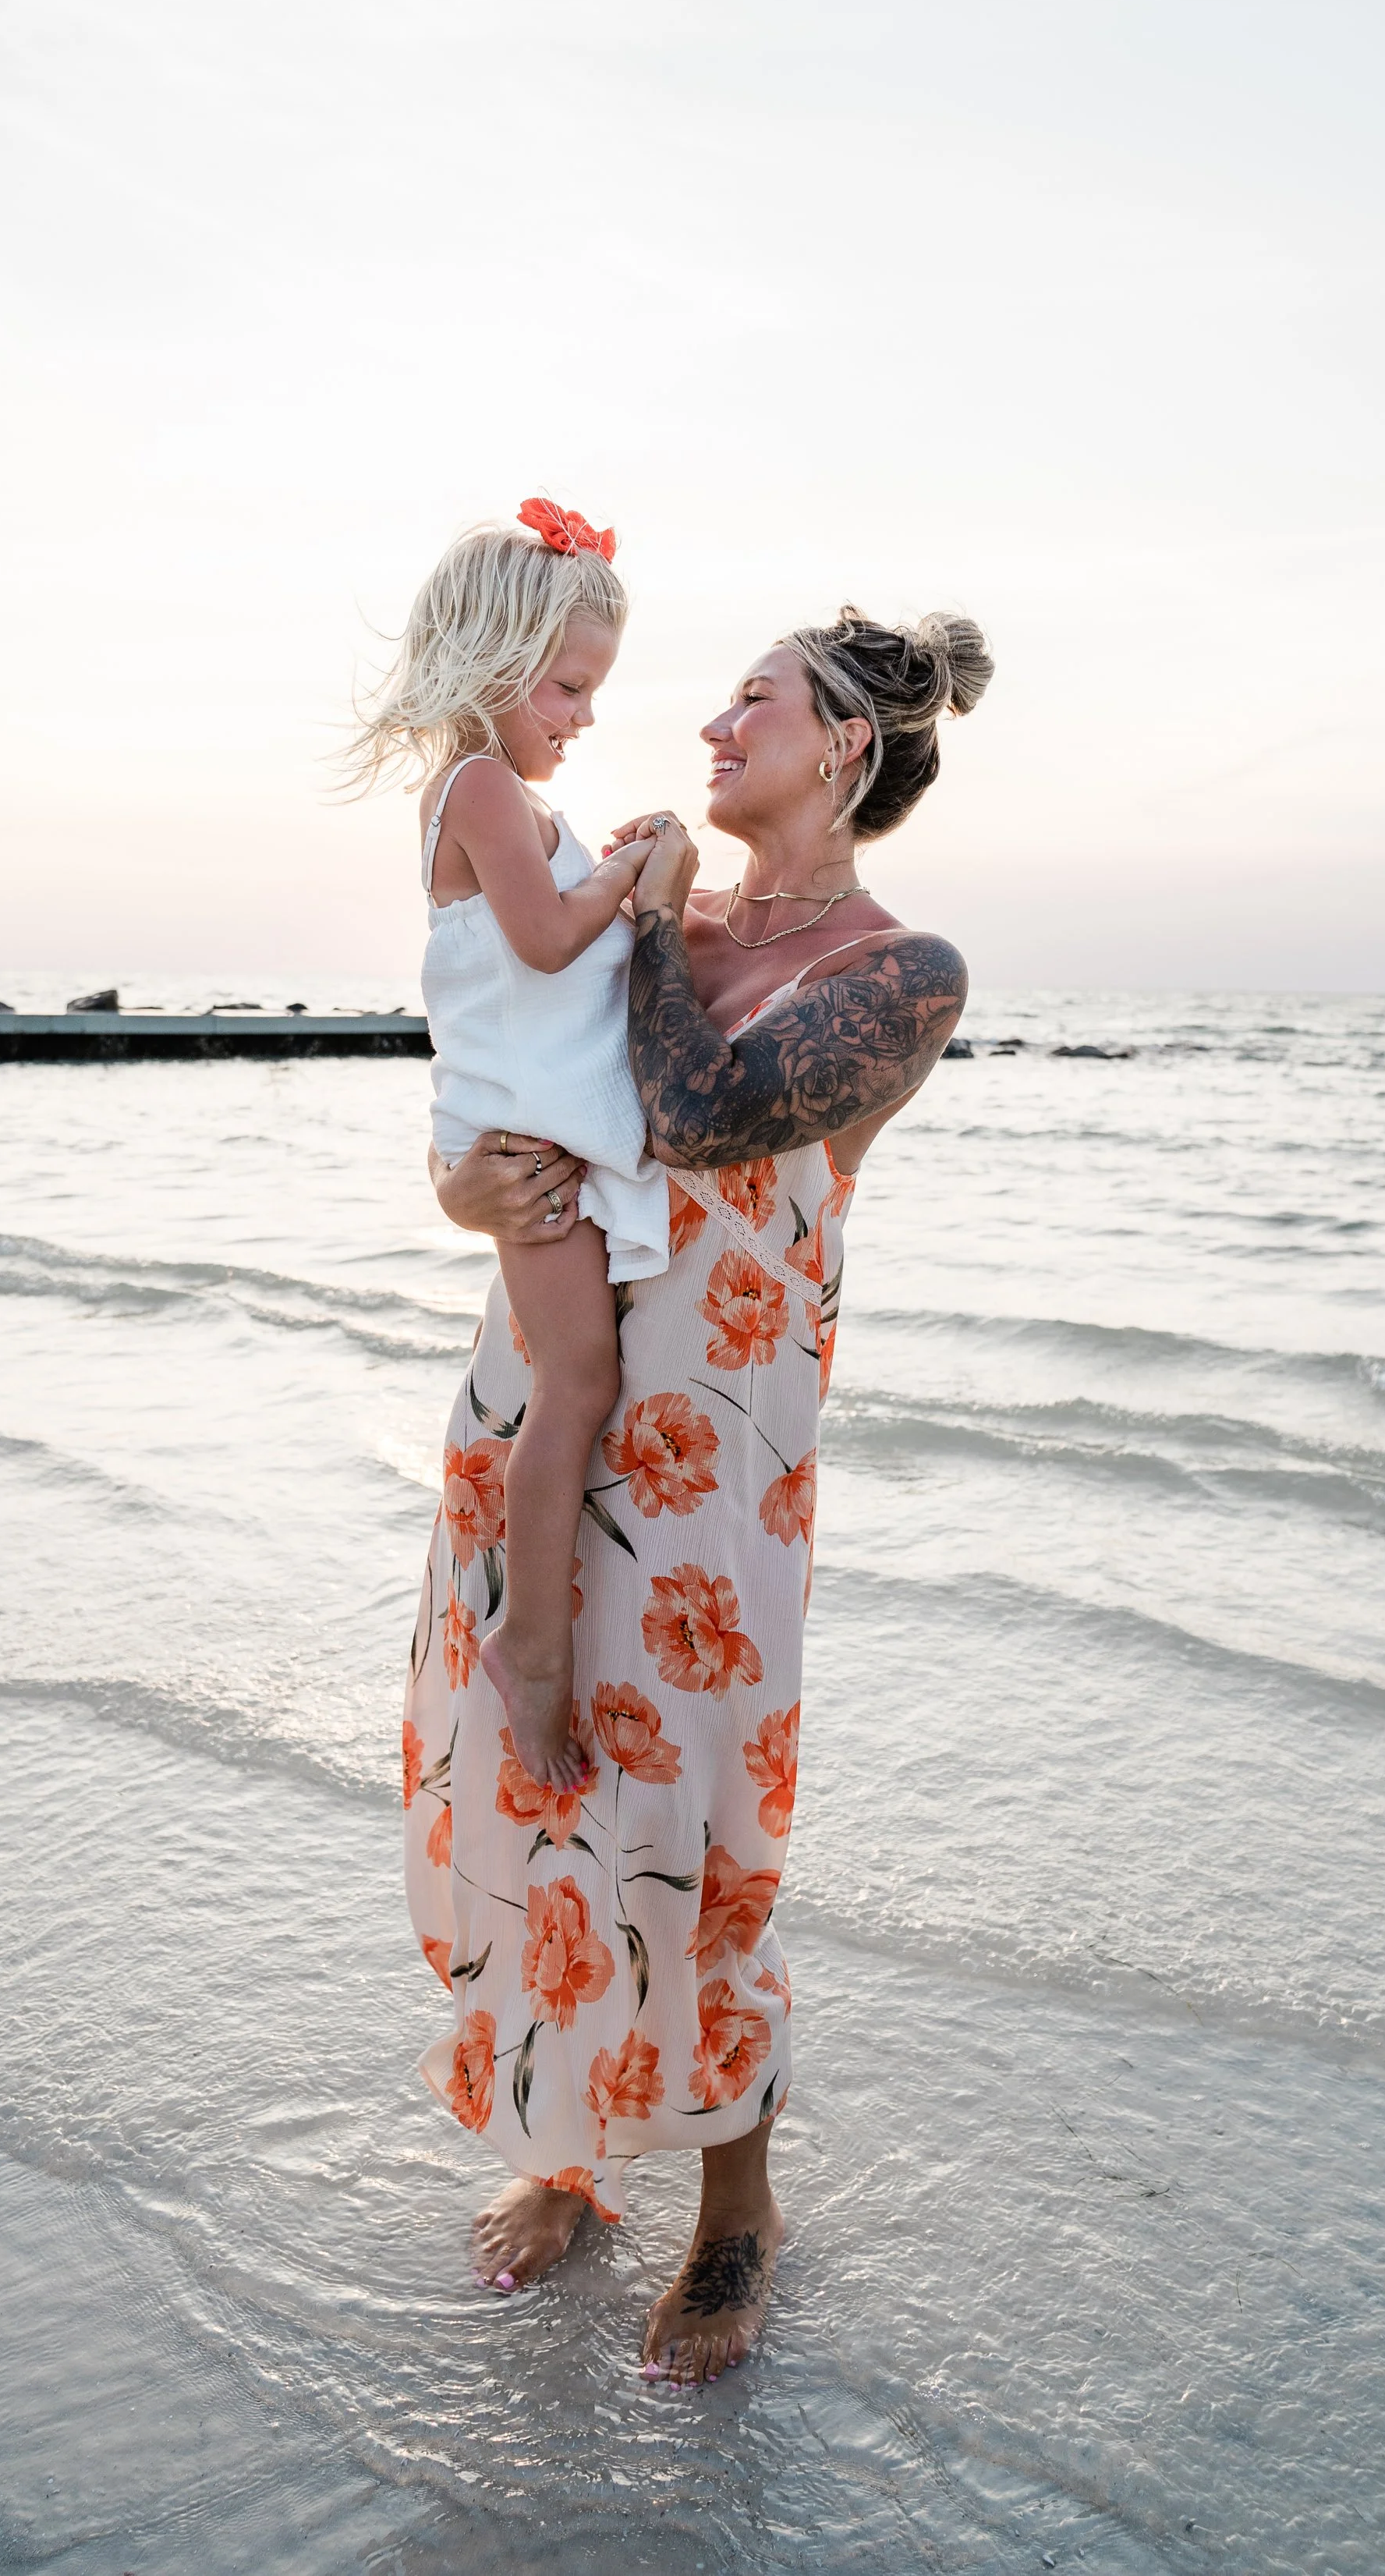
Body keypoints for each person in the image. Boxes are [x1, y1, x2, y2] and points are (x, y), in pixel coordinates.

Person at [405, 601, 992, 2386]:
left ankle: (735, 2203)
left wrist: (651, 922)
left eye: (758, 701)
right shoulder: (637, 923)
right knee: (536, 1790)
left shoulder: (902, 973)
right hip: (535, 1398)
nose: (713, 723)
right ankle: (569, 2151)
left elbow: (704, 1104)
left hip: (711, 1470)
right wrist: (474, 1202)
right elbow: (512, 1127)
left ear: (852, 751)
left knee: (696, 1821)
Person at [346, 499, 671, 1795]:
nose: (584, 716)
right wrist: (634, 870)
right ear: (493, 660)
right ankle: (531, 1645)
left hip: (541, 1130)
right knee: (578, 1386)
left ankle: (535, 1626)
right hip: (524, 1142)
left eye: (594, 693)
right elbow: (545, 941)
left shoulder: (501, 792)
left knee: (581, 1380)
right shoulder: (482, 786)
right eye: (571, 687)